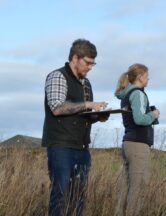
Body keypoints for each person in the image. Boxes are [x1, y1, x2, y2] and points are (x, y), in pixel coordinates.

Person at [42, 39, 109, 216]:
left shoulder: (86, 84)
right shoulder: (57, 76)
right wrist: (88, 103)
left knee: (78, 197)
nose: (90, 68)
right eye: (88, 63)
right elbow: (57, 108)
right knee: (61, 196)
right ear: (75, 57)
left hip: (82, 148)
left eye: (93, 63)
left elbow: (82, 113)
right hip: (61, 146)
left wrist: (98, 116)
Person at [114, 63, 160, 216]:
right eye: (147, 76)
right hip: (138, 145)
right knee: (139, 187)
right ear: (140, 77)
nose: (148, 79)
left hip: (128, 143)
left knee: (127, 187)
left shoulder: (127, 94)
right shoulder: (138, 94)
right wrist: (154, 115)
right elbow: (140, 119)